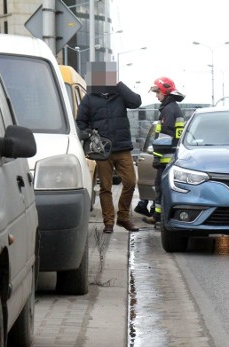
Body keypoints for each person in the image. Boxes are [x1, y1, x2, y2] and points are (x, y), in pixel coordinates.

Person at [76, 62, 142, 233]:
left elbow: (136, 102)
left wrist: (119, 84)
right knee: (106, 187)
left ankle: (124, 217)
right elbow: (80, 123)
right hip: (102, 150)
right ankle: (109, 222)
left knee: (130, 182)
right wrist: (90, 134)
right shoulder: (89, 98)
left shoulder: (119, 95)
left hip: (122, 147)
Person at [144, 76, 185, 225]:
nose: (156, 95)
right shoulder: (172, 108)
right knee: (161, 187)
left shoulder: (168, 110)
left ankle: (159, 217)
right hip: (170, 157)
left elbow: (164, 138)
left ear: (164, 92)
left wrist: (156, 156)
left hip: (166, 159)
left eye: (157, 92)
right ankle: (158, 216)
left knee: (162, 188)